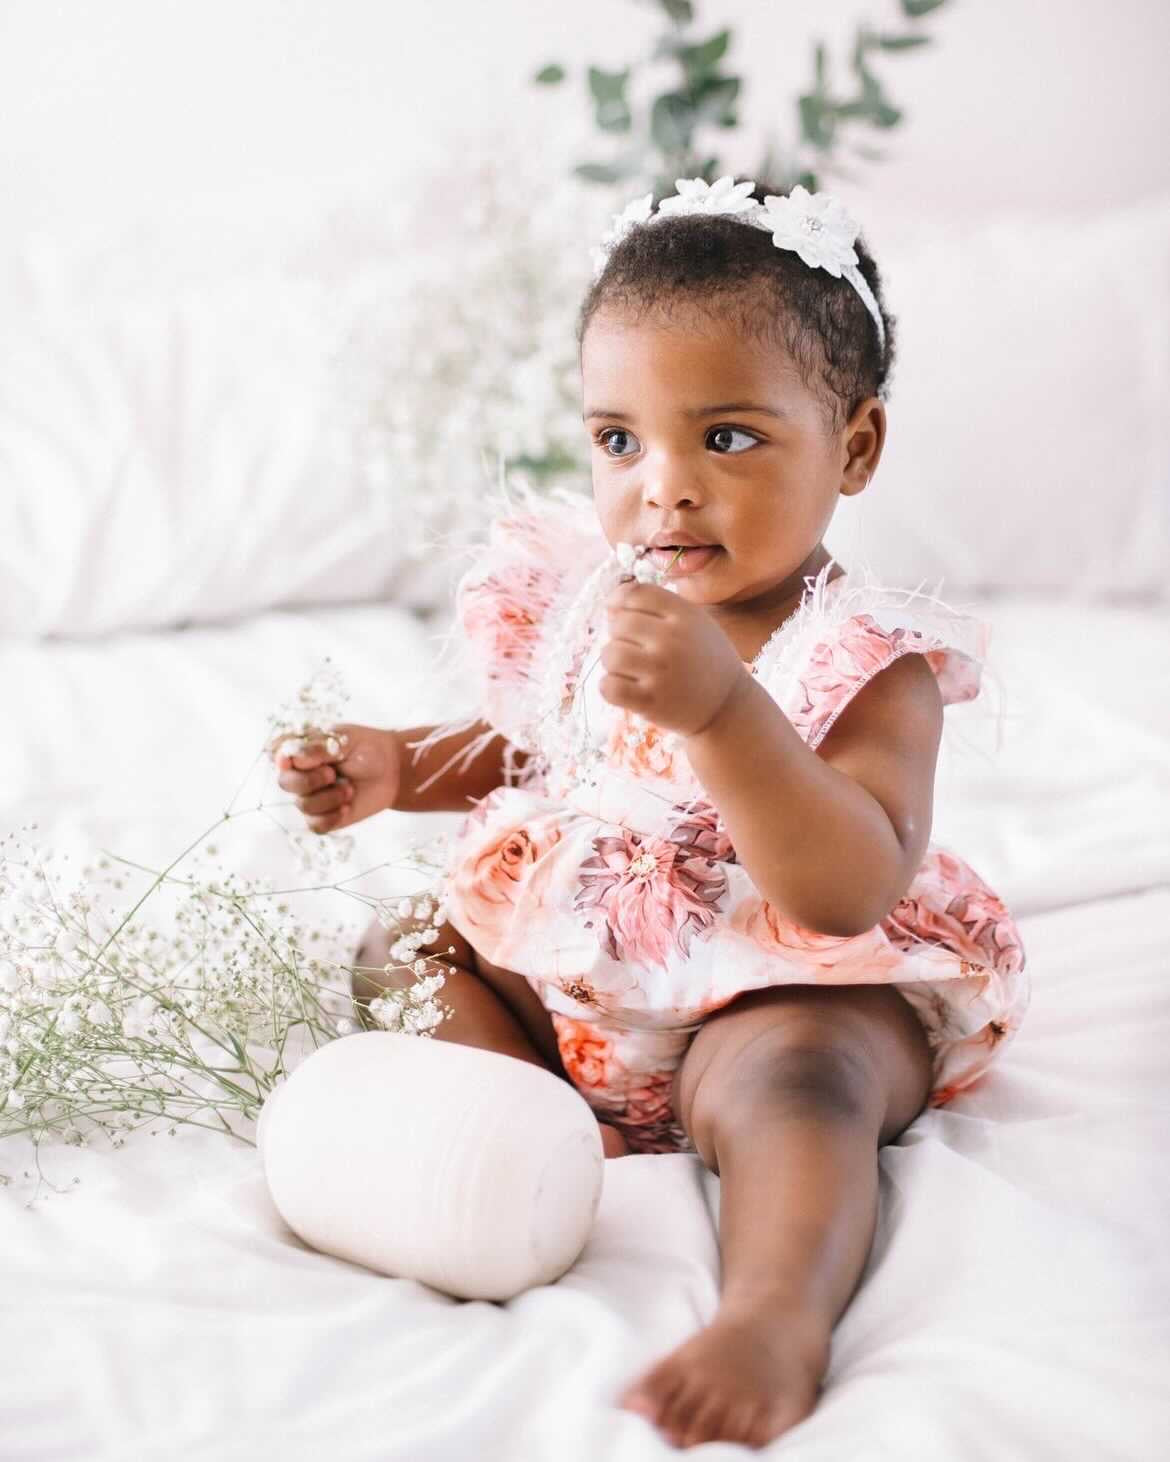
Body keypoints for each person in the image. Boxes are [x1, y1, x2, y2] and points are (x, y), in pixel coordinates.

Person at [272, 177, 1028, 1451]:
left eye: (725, 438)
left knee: (809, 1075)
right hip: (586, 985)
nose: (663, 487)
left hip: (774, 985)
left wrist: (727, 712)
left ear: (853, 445)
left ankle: (776, 1311)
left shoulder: (869, 657)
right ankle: (527, 1140)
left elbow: (846, 887)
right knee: (403, 948)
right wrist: (402, 766)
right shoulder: (587, 595)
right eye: (621, 440)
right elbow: (549, 746)